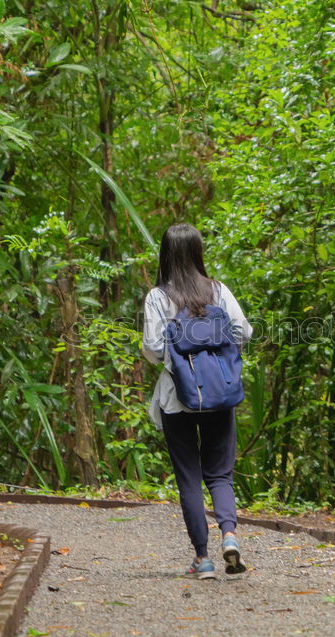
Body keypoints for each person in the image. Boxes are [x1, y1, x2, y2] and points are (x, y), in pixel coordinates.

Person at [142, 223, 253, 580]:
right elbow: (243, 332)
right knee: (220, 474)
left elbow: (155, 349)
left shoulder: (158, 297)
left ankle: (202, 559)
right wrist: (217, 359)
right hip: (221, 394)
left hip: (179, 398)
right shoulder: (218, 291)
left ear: (166, 255)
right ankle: (230, 536)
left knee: (189, 477)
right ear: (198, 252)